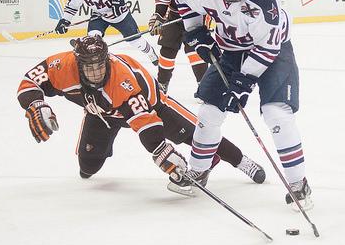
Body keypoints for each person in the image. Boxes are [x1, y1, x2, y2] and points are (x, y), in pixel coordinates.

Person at [16, 36, 265, 191]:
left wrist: (161, 152)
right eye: (88, 67)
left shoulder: (121, 80)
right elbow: (29, 81)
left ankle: (242, 161)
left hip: (155, 108)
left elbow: (145, 122)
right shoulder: (62, 66)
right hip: (101, 115)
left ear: (107, 60)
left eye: (99, 65)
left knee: (200, 135)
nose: (94, 72)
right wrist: (35, 104)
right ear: (77, 62)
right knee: (87, 168)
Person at [174, 0, 313, 209]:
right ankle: (199, 171)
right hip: (231, 50)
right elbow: (184, 3)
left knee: (276, 114)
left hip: (273, 51)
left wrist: (245, 81)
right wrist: (196, 33)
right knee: (209, 114)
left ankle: (298, 183)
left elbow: (268, 46)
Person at [54, 0, 159, 66]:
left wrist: (120, 1)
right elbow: (71, 6)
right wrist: (65, 20)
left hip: (120, 16)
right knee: (92, 38)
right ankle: (99, 62)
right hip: (100, 16)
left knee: (136, 42)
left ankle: (150, 52)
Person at [148, 0, 214, 93]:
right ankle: (162, 84)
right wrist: (158, 16)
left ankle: (203, 86)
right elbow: (162, 1)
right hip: (175, 16)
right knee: (167, 50)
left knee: (195, 50)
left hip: (197, 16)